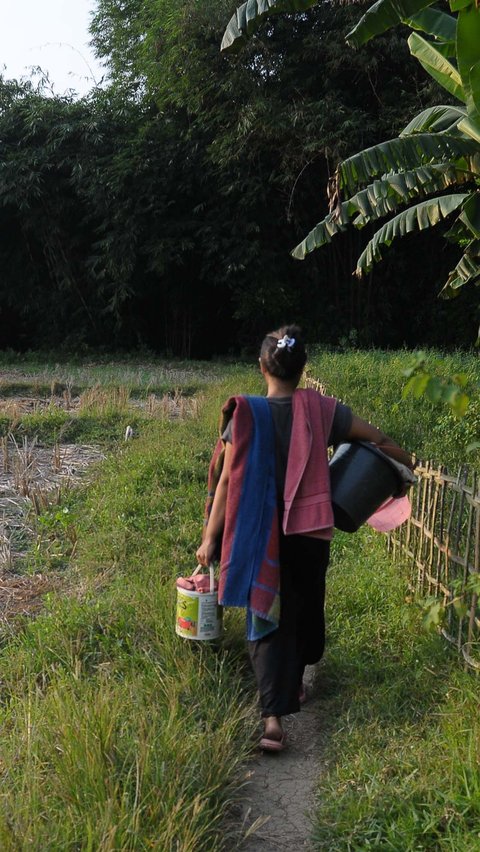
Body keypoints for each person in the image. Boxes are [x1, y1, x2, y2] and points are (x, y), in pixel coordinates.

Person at [196, 325, 414, 752]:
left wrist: (209, 538)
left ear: (262, 368)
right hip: (311, 531)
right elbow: (377, 440)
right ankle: (291, 687)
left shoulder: (245, 414)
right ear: (303, 370)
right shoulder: (323, 410)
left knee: (265, 613)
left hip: (257, 532)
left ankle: (272, 719)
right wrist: (408, 464)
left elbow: (224, 484)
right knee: (302, 607)